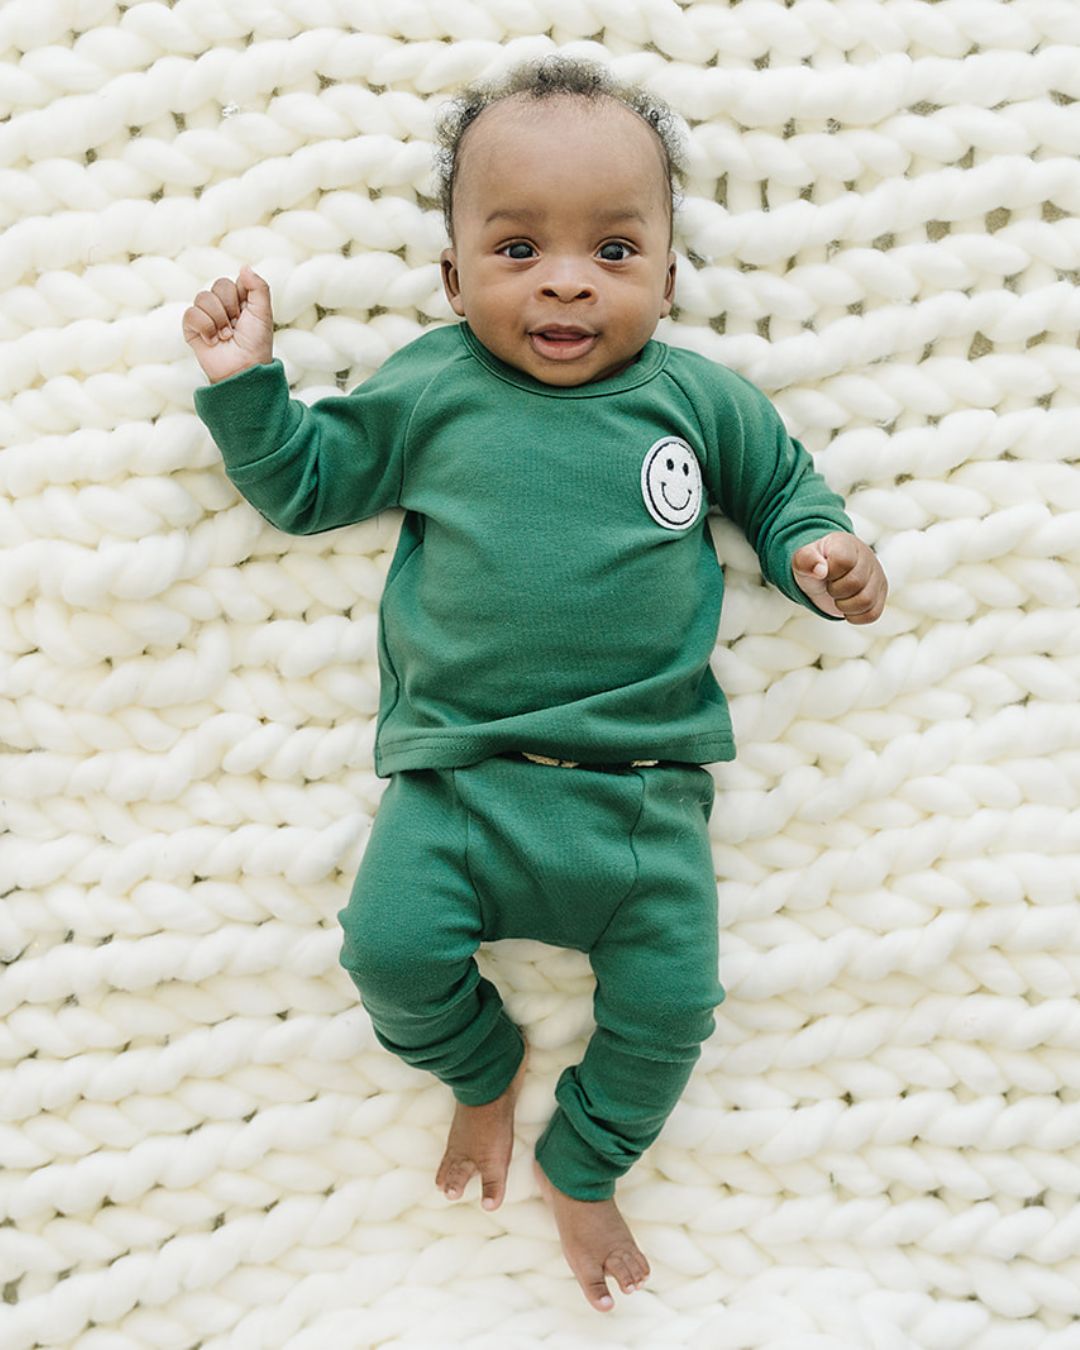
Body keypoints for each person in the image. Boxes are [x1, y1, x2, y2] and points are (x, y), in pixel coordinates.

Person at [183, 55, 888, 1314]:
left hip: (644, 803)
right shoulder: (434, 387)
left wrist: (822, 556)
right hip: (461, 784)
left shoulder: (699, 401)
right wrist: (247, 385)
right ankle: (482, 1067)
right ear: (455, 281)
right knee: (387, 951)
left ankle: (586, 1158)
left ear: (668, 276)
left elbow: (785, 495)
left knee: (674, 1008)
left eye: (614, 250)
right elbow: (306, 481)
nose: (567, 280)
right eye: (519, 250)